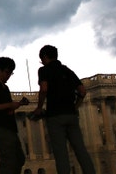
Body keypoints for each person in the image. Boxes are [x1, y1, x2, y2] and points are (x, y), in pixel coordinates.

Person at [32, 45, 96, 174]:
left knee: (61, 154)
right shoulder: (67, 70)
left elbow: (44, 89)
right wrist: (75, 107)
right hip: (71, 115)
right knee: (81, 150)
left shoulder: (44, 70)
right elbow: (82, 91)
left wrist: (39, 107)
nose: (42, 62)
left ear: (44, 57)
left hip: (55, 116)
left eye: (41, 59)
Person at [0, 57, 28, 174]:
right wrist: (9, 104)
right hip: (1, 128)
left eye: (11, 73)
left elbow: (6, 108)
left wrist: (18, 104)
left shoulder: (5, 88)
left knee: (19, 158)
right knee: (8, 159)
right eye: (7, 72)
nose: (9, 75)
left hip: (10, 127)